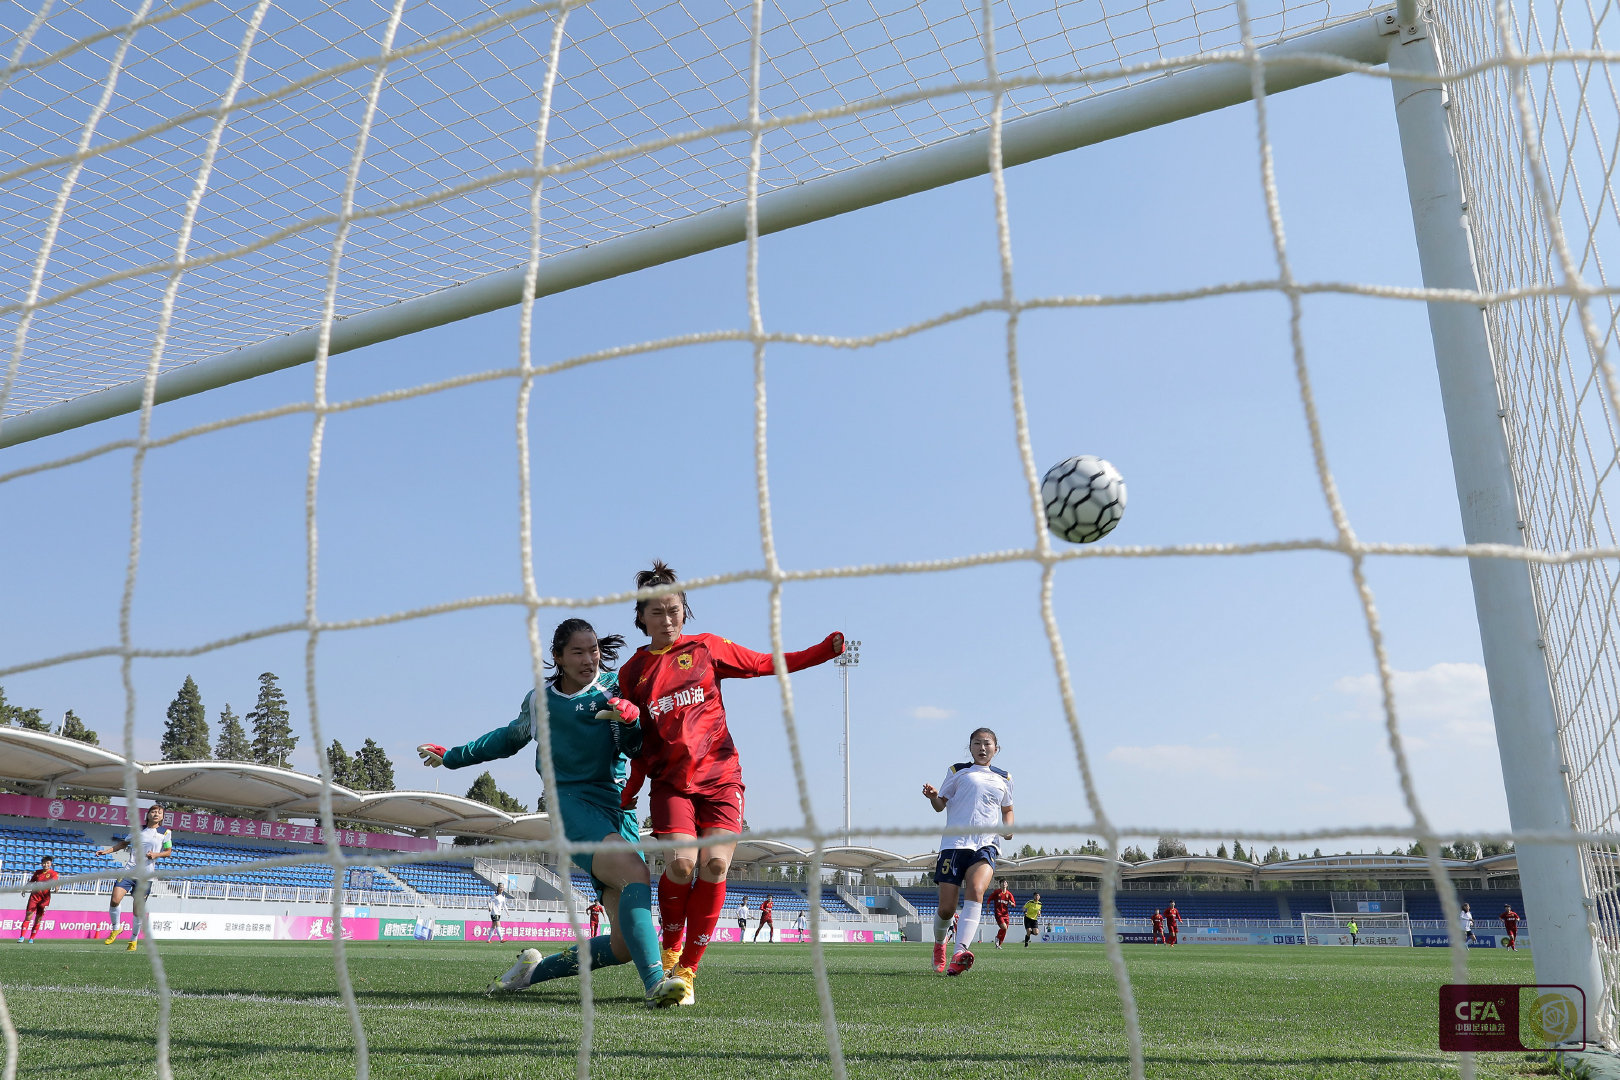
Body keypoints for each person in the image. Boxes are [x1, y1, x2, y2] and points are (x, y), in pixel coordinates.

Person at [416, 617, 684, 1008]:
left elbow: (638, 744)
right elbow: (508, 738)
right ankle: (656, 985)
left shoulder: (614, 688)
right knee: (636, 873)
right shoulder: (541, 701)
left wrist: (629, 720)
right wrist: (452, 757)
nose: (588, 658)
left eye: (593, 650)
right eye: (577, 651)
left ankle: (530, 972)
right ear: (558, 657)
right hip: (571, 804)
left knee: (623, 945)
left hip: (619, 809)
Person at [614, 560, 843, 1004]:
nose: (667, 619)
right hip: (672, 784)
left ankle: (687, 973)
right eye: (656, 613)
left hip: (721, 777)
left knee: (716, 865)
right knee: (681, 865)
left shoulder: (707, 648)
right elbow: (635, 742)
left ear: (685, 611)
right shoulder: (633, 673)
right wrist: (631, 789)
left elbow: (762, 663)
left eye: (674, 610)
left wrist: (820, 652)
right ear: (641, 617)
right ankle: (669, 946)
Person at [923, 727, 1015, 975]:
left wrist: (1008, 828)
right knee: (947, 909)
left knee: (976, 890)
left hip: (986, 844)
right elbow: (940, 806)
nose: (982, 748)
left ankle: (960, 952)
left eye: (987, 744)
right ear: (970, 747)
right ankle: (940, 943)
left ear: (996, 748)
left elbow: (1007, 809)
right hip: (954, 844)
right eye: (977, 743)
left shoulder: (1004, 778)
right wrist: (933, 796)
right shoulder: (957, 771)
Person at [97, 805, 173, 952]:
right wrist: (106, 851)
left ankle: (133, 939)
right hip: (129, 871)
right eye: (153, 811)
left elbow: (168, 851)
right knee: (115, 899)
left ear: (163, 817)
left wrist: (156, 855)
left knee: (137, 910)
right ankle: (116, 929)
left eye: (159, 812)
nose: (156, 814)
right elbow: (123, 844)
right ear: (148, 814)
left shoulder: (166, 832)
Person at [17, 856, 57, 943]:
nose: (46, 865)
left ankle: (31, 938)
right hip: (34, 896)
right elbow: (31, 881)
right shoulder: (38, 872)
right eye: (44, 863)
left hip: (45, 899)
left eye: (48, 863)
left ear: (50, 864)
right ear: (42, 864)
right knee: (28, 916)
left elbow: (56, 883)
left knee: (38, 918)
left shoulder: (53, 873)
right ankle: (22, 937)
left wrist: (56, 888)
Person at [989, 880, 1015, 949]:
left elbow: (1014, 904)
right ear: (1000, 884)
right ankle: (997, 938)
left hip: (1006, 914)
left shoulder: (1009, 894)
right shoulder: (997, 892)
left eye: (1005, 883)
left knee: (1005, 929)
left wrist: (1011, 903)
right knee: (1004, 927)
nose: (1004, 884)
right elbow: (989, 899)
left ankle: (999, 944)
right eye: (1002, 882)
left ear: (1007, 885)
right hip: (998, 913)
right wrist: (987, 908)